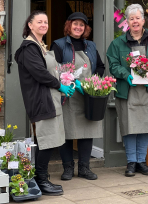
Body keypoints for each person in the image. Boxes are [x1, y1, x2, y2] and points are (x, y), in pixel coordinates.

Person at [15, 11, 75, 195]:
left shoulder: (40, 45)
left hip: (50, 99)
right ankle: (41, 180)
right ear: (30, 25)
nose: (43, 24)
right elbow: (40, 73)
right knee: (47, 141)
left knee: (49, 140)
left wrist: (63, 83)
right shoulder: (28, 48)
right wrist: (60, 86)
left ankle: (42, 178)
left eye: (46, 22)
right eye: (39, 22)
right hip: (41, 101)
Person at [107, 4, 148, 177]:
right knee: (129, 126)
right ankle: (131, 163)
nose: (135, 21)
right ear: (127, 21)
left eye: (137, 18)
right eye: (131, 18)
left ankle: (142, 162)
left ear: (143, 20)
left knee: (145, 125)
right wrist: (126, 75)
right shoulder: (117, 43)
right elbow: (113, 65)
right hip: (128, 90)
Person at [51, 12, 105, 181]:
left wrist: (93, 82)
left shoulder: (91, 46)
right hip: (68, 95)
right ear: (69, 25)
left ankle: (84, 168)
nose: (78, 28)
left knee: (86, 132)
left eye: (82, 25)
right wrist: (73, 83)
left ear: (85, 28)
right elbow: (55, 69)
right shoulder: (59, 45)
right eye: (75, 24)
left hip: (87, 95)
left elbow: (101, 67)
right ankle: (68, 168)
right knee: (66, 132)